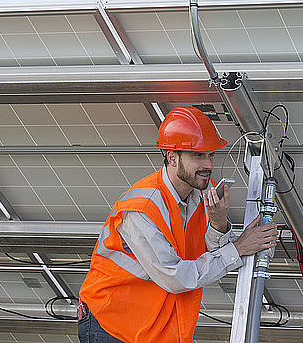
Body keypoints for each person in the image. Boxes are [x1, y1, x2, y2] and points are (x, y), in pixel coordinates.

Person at [78, 106, 278, 343]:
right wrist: (238, 248)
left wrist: (218, 222)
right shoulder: (142, 209)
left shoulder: (204, 191)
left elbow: (209, 253)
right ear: (171, 157)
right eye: (197, 156)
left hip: (154, 328)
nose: (208, 164)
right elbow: (176, 277)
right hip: (113, 326)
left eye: (210, 155)